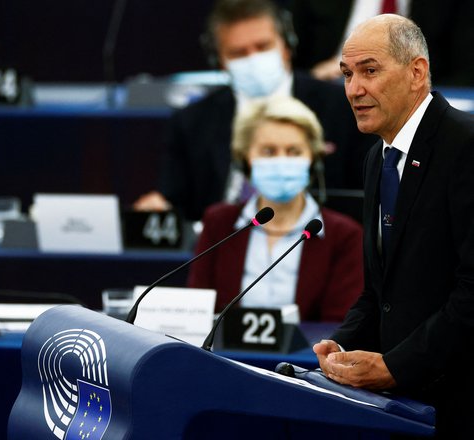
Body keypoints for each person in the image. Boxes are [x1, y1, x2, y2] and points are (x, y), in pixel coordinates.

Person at [313, 14, 474, 438]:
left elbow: (473, 290)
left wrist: (394, 366)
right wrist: (341, 345)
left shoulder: (465, 145)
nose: (354, 90)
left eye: (370, 71)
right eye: (347, 74)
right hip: (405, 406)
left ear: (416, 72)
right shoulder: (377, 159)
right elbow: (379, 291)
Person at [133, 0, 375, 222]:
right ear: (219, 61)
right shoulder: (190, 123)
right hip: (224, 252)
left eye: (263, 46)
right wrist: (158, 209)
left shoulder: (342, 107)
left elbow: (368, 197)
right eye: (238, 53)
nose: (253, 59)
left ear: (287, 45)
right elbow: (173, 206)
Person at [187, 96, 363, 321]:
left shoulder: (345, 235)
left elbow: (338, 327)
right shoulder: (218, 223)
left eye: (294, 151)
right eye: (269, 151)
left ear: (313, 158)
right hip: (222, 356)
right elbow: (198, 311)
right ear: (245, 157)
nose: (282, 161)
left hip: (306, 356)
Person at [290, 0, 474, 85]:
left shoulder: (450, 6)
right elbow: (286, 58)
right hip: (331, 87)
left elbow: (465, 71)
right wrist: (311, 80)